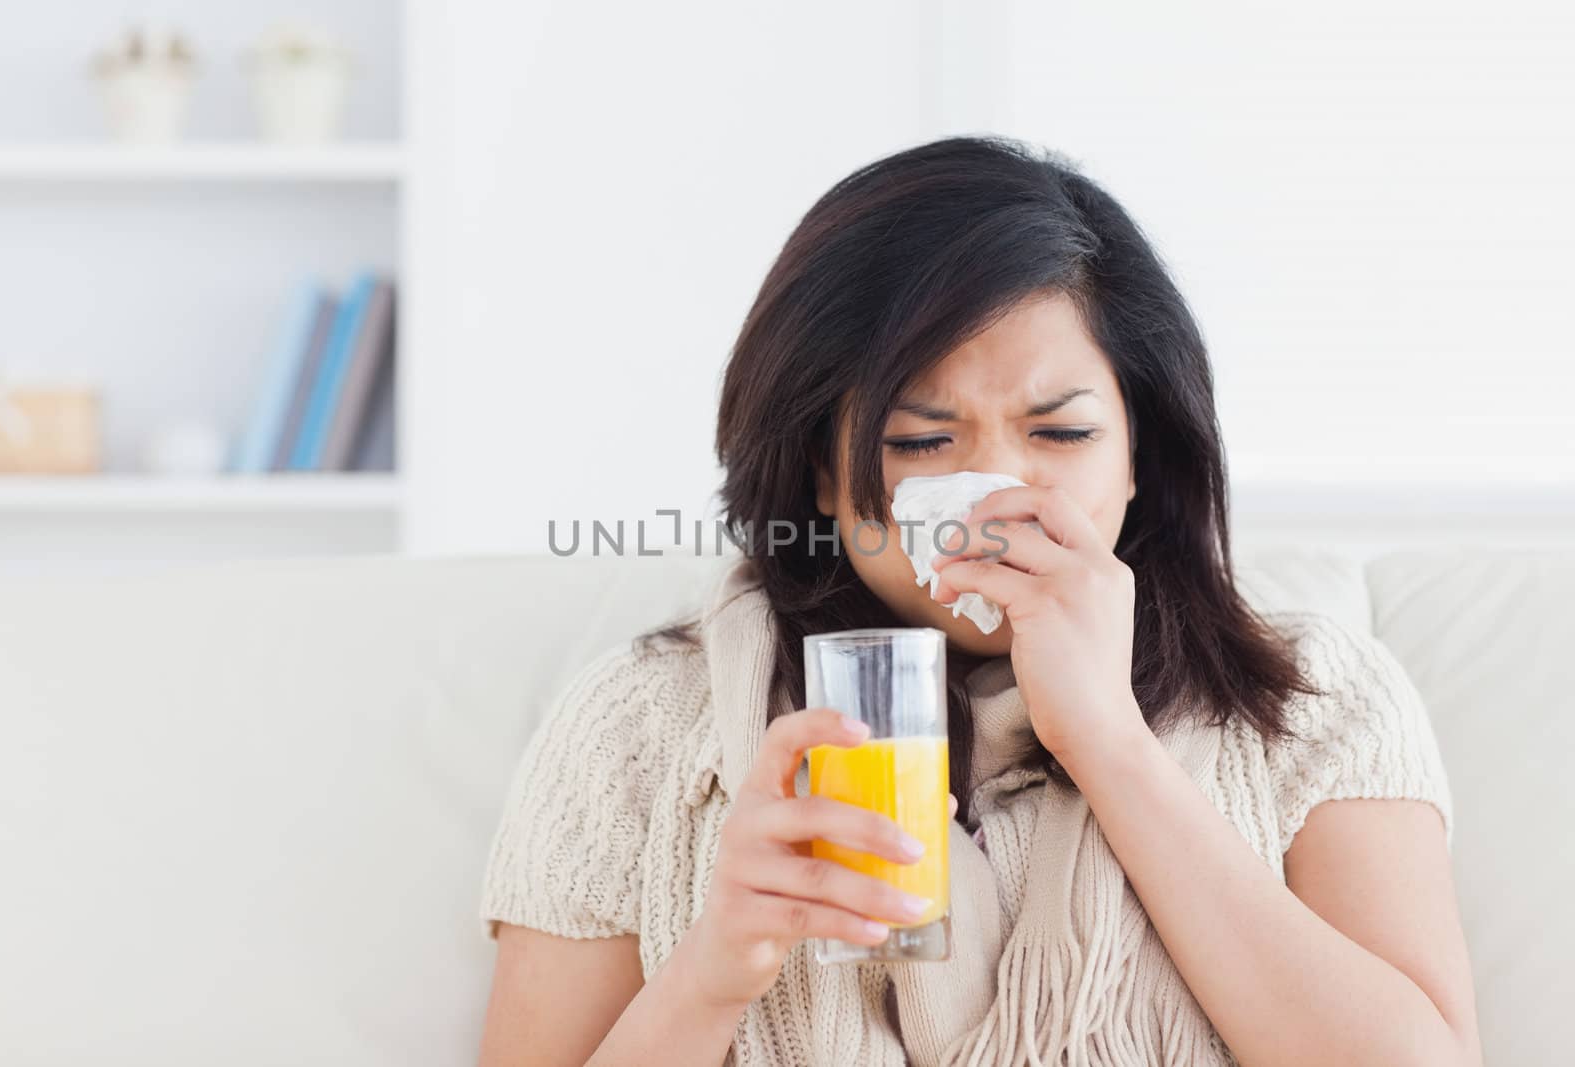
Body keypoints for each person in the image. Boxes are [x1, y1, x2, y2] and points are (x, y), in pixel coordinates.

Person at [474, 135, 1482, 1066]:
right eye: (920, 443)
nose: (997, 494)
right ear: (822, 480)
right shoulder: (646, 726)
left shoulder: (1310, 697)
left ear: (1141, 456)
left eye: (1060, 435)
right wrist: (715, 965)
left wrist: (1110, 742)